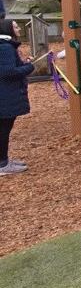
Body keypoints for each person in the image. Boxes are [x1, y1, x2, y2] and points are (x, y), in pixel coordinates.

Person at [0, 19, 32, 175]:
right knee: (3, 129)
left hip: (5, 94)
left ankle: (3, 160)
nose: (18, 28)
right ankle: (2, 164)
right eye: (15, 26)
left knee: (4, 128)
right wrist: (28, 68)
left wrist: (23, 64)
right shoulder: (5, 48)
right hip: (5, 95)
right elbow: (8, 73)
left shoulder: (5, 47)